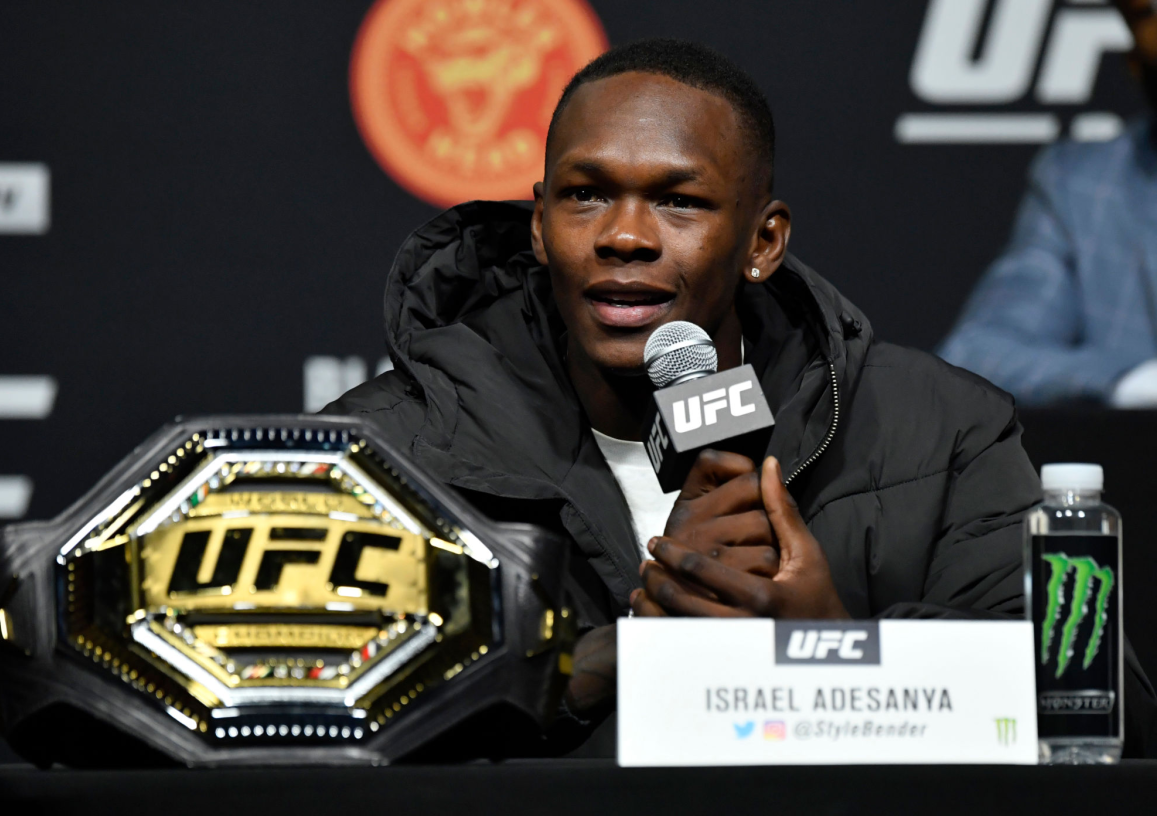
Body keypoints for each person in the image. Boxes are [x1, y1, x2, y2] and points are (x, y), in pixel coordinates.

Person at [324, 38, 1156, 755]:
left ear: (763, 242)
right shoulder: (383, 453)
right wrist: (613, 660)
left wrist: (834, 648)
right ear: (539, 226)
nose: (624, 235)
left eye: (679, 201)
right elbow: (298, 724)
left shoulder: (941, 429)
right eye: (586, 194)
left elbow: (1102, 712)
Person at [938, 0, 1157, 407]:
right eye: (1147, 14)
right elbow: (976, 356)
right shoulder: (1084, 186)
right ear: (1132, 59)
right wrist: (1135, 381)